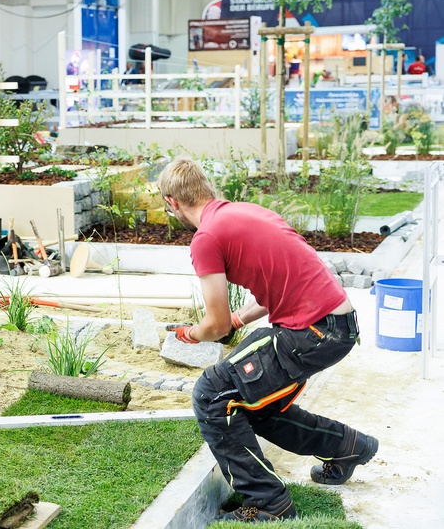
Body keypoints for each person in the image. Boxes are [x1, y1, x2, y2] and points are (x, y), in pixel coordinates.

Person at [156, 158, 378, 524]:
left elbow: (215, 325)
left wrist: (188, 334)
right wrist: (241, 317)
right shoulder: (247, 213)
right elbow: (282, 278)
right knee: (253, 403)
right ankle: (348, 446)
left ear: (172, 202)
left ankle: (269, 503)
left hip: (313, 331)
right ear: (207, 188)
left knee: (212, 394)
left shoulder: (206, 237)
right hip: (335, 325)